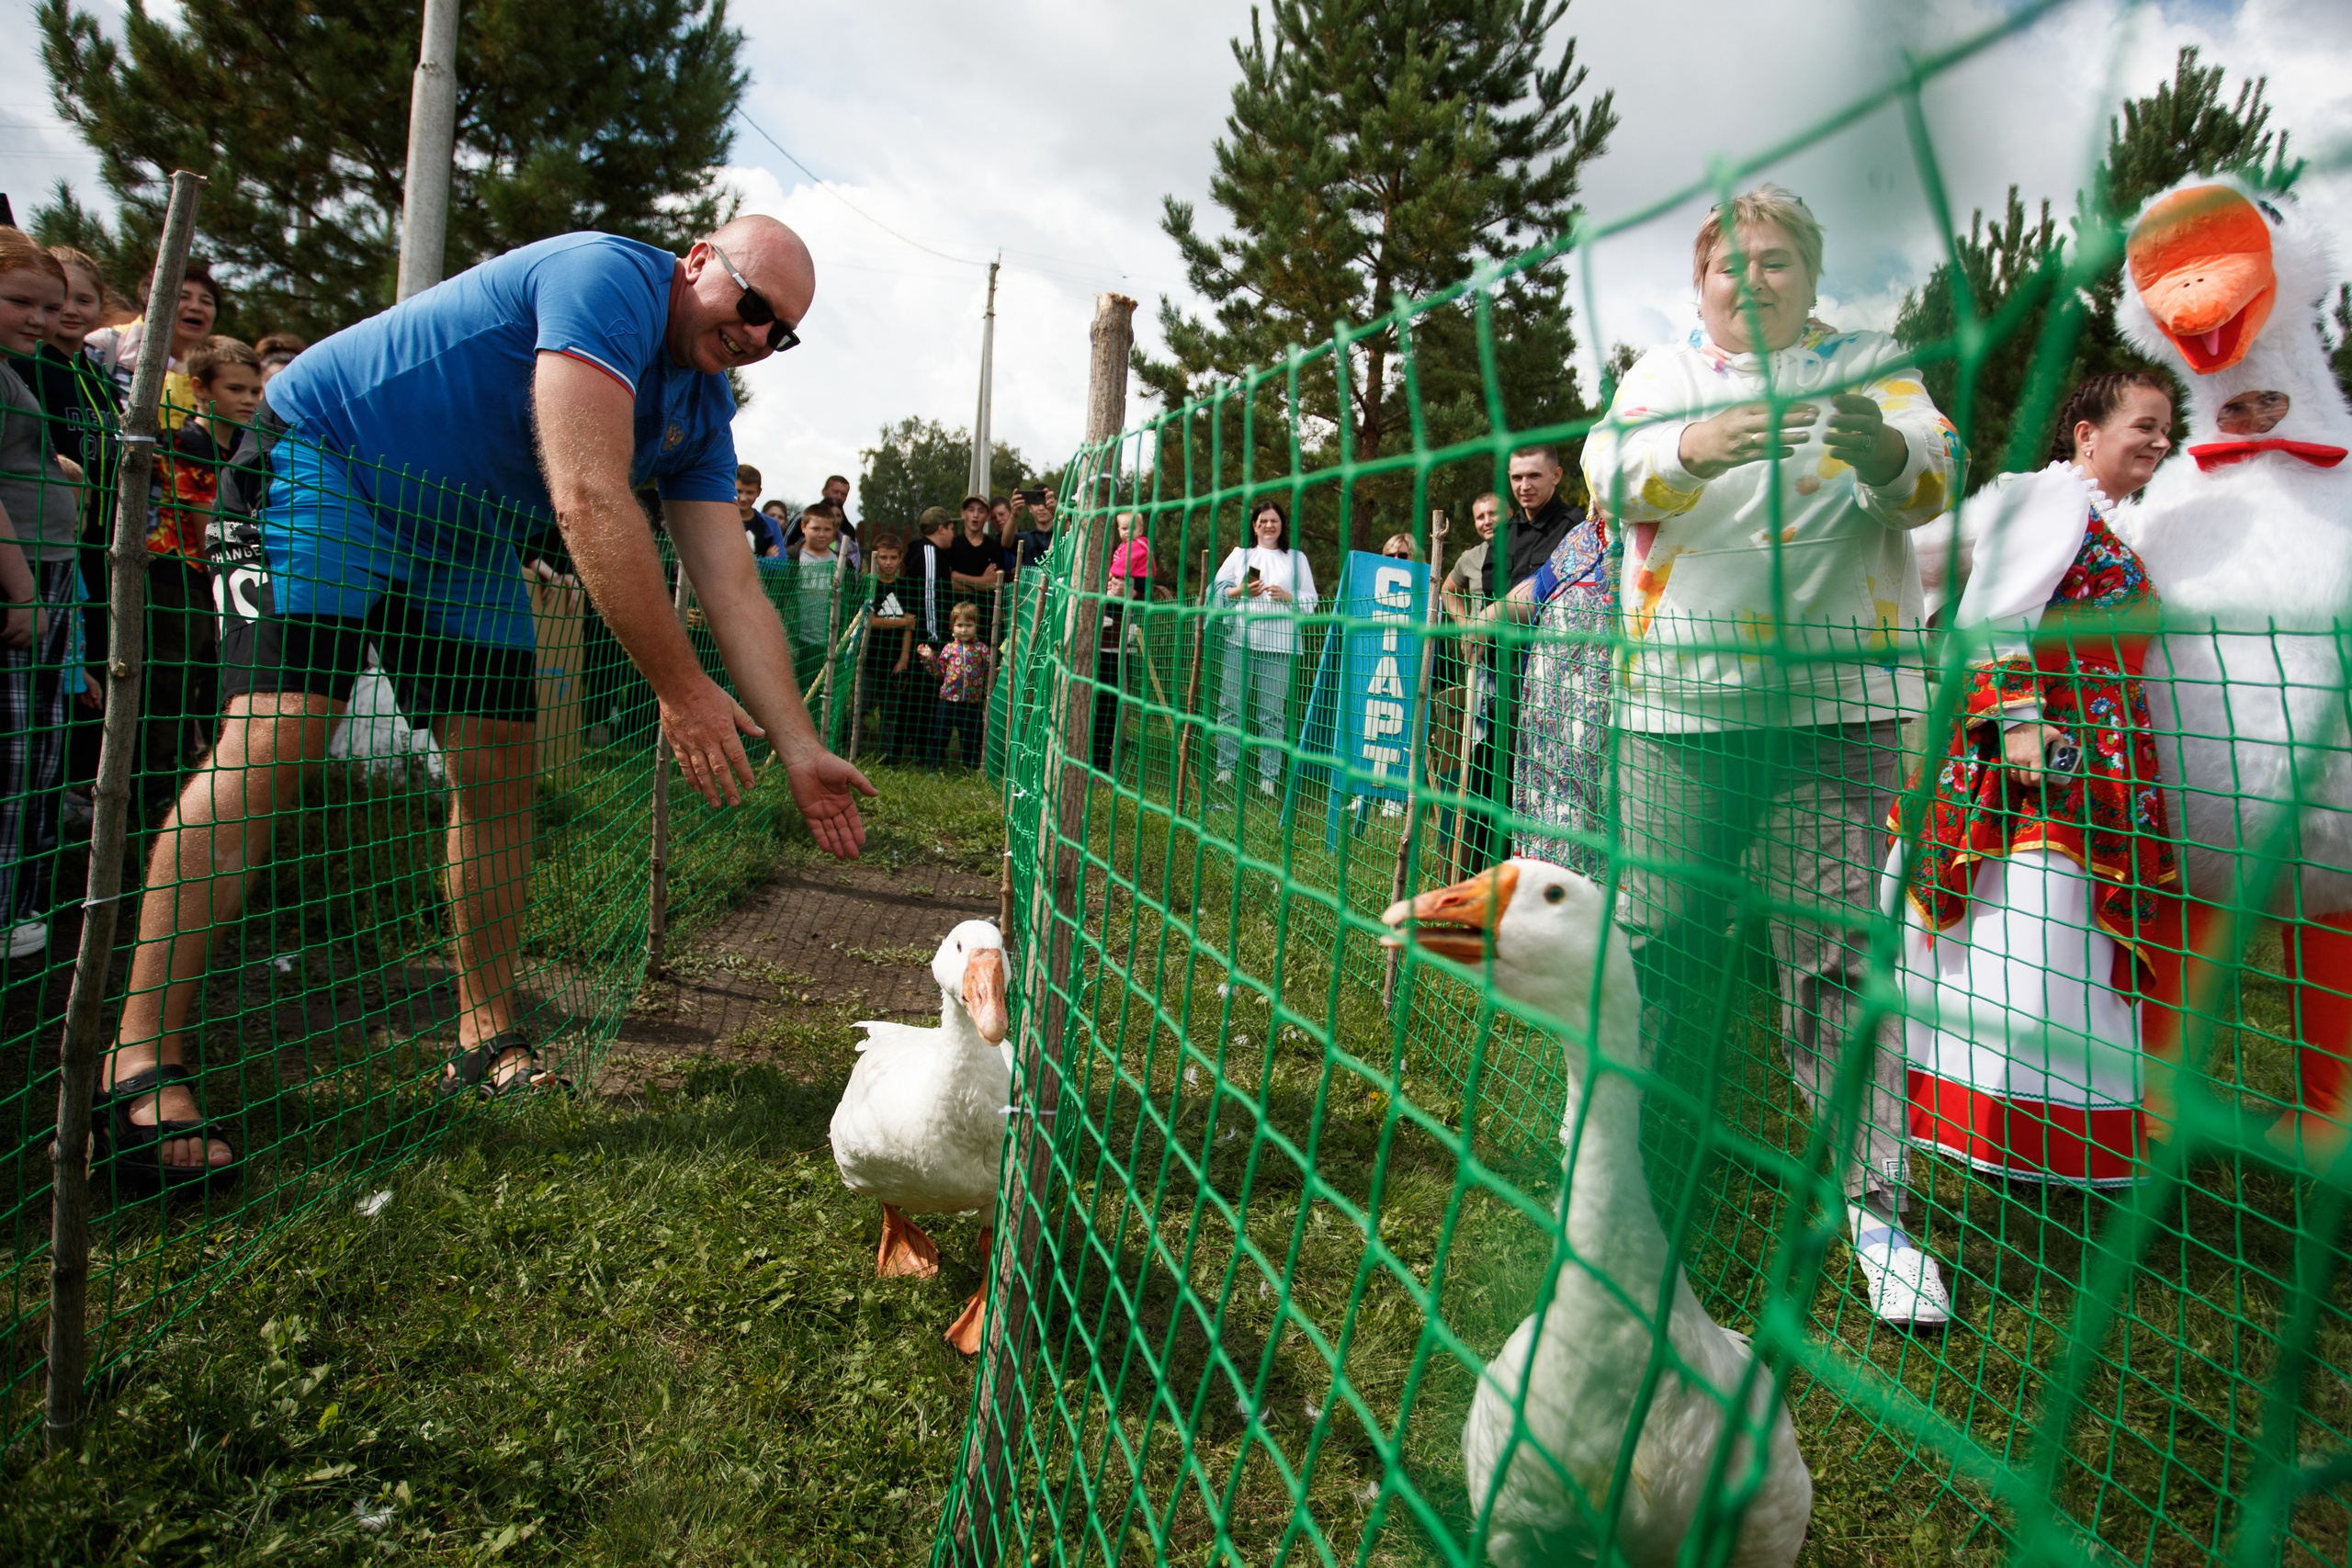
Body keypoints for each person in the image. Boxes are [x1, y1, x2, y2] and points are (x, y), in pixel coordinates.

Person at [96, 216, 876, 1185]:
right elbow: (587, 498)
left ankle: (483, 1033)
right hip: (328, 461)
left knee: (502, 762)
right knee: (278, 735)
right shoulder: (606, 278)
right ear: (697, 262)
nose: (759, 336)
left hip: (460, 537)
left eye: (782, 332)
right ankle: (136, 1063)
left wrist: (798, 746)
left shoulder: (703, 411)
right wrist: (678, 688)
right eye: (752, 307)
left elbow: (731, 583)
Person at [1583, 185, 1962, 1326]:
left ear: (1811, 272)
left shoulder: (1871, 361)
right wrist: (1689, 449)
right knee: (1653, 943)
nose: (1752, 283)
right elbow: (1605, 474)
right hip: (1678, 711)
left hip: (1829, 711)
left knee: (1834, 955)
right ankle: (1614, 1178)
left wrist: (1886, 449)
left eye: (1777, 262)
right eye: (1728, 266)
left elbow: (1936, 469)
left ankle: (1877, 1206)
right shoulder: (1662, 377)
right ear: (1700, 283)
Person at [1890, 372, 2178, 1188]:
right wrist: (2017, 724)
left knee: (2037, 935)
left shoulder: (2097, 515)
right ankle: (1993, 1123)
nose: (2161, 440)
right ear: (2085, 433)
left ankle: (2004, 1119)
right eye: (2145, 425)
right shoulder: (2054, 501)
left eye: (2168, 427)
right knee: (2030, 930)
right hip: (2047, 759)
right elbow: (1995, 613)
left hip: (2097, 750)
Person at [142, 335, 262, 815]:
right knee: (169, 685)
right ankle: (152, 791)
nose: (250, 400)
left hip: (222, 581)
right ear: (200, 388)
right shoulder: (184, 446)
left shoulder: (245, 450)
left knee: (216, 686)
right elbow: (208, 526)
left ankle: (200, 783)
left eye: (255, 390)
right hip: (180, 580)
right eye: (236, 389)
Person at [0, 234, 75, 961]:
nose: (40, 319)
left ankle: (18, 899)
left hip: (46, 571)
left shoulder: (15, 375)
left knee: (39, 750)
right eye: (20, 301)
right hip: (20, 579)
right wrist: (21, 589)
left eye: (49, 307)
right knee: (17, 752)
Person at [1483, 493, 1619, 879]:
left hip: (1614, 713)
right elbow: (1534, 592)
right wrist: (1487, 616)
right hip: (1550, 714)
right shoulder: (1581, 537)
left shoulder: (1654, 542)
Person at [28, 247, 119, 818]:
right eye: (59, 299)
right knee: (57, 665)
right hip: (51, 539)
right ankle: (50, 791)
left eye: (83, 298)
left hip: (103, 542)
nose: (69, 309)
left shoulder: (95, 376)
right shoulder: (27, 367)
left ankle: (82, 789)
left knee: (97, 662)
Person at [1462, 446, 1583, 866]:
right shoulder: (1505, 533)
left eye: (1534, 476)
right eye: (1516, 478)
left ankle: (1534, 872)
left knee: (1541, 780)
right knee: (1490, 771)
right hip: (1501, 674)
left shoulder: (1576, 529)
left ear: (1557, 476)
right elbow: (1490, 598)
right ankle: (1482, 871)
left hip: (1555, 677)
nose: (1524, 486)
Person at [1209, 500, 1317, 797]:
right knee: (1230, 707)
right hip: (1240, 643)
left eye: (1274, 520)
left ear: (1282, 525)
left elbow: (1311, 601)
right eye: (1262, 520)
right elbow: (1214, 593)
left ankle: (1268, 778)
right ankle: (1225, 769)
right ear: (1254, 525)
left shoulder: (1296, 559)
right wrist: (1238, 591)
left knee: (1272, 714)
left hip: (1280, 648)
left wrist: (1288, 596)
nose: (1268, 525)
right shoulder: (1240, 555)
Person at [85, 260, 221, 428]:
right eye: (182, 297)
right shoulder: (105, 346)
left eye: (206, 301)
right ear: (151, 303)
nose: (196, 307)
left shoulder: (215, 373)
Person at [1093, 510, 1155, 773]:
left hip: (1115, 641)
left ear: (1141, 529)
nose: (1127, 533)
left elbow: (1149, 591)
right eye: (1122, 529)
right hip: (1091, 642)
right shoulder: (1115, 550)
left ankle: (1100, 764)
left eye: (1132, 528)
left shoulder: (1138, 551)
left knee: (1108, 701)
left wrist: (1128, 590)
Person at [858, 534, 918, 761]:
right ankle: (855, 751)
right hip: (869, 658)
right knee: (861, 708)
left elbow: (910, 627)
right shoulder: (868, 585)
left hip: (893, 660)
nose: (888, 562)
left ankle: (886, 757)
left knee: (890, 712)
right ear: (875, 558)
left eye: (893, 557)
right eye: (883, 557)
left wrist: (904, 658)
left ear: (901, 558)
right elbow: (868, 622)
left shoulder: (906, 587)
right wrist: (901, 621)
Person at [921, 600, 994, 770]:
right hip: (947, 701)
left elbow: (989, 675)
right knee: (940, 736)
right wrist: (929, 657)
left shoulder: (983, 650)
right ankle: (932, 767)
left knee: (970, 738)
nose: (963, 629)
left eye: (968, 625)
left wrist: (998, 673)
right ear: (952, 627)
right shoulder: (948, 649)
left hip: (971, 703)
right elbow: (939, 673)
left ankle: (970, 768)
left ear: (977, 626)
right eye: (959, 625)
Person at [787, 504, 845, 690]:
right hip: (795, 639)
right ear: (803, 527)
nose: (822, 534)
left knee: (817, 695)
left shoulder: (842, 562)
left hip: (825, 642)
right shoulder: (791, 557)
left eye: (827, 529)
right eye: (815, 528)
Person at [1440, 492, 1502, 625]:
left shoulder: (1526, 548)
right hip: (1479, 642)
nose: (1487, 521)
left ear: (1509, 514)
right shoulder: (1470, 557)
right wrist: (1465, 625)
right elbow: (1448, 590)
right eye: (1480, 517)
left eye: (1493, 514)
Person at [947, 493, 1006, 601]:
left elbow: (996, 582)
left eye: (981, 511)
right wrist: (983, 582)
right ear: (962, 513)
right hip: (958, 611)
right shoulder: (952, 544)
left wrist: (959, 577)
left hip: (987, 611)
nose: (975, 515)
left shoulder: (994, 546)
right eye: (971, 510)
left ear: (988, 516)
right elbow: (948, 583)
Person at [1009, 487, 1057, 574]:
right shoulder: (1024, 538)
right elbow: (1006, 543)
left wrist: (1057, 512)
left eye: (1045, 502)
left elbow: (1071, 532)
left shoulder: (1062, 534)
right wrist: (1013, 515)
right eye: (1036, 503)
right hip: (1031, 587)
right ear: (1029, 508)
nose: (1041, 508)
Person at [738, 463, 782, 557]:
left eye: (750, 493)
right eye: (739, 491)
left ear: (759, 492)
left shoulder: (771, 525)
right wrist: (765, 560)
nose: (743, 498)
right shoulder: (716, 520)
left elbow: (781, 564)